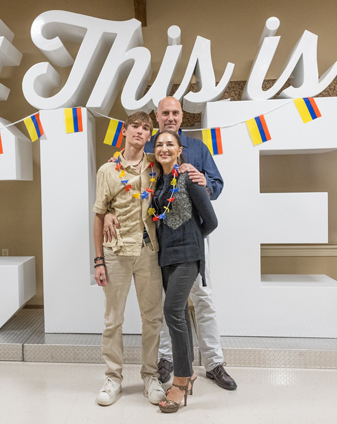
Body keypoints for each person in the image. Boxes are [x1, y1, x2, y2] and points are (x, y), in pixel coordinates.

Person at [104, 96, 237, 391]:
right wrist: (110, 211)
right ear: (157, 116)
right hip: (159, 240)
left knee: (203, 298)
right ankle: (166, 359)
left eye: (176, 112)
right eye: (165, 113)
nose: (171, 117)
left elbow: (216, 185)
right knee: (166, 304)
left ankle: (214, 363)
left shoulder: (199, 149)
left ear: (181, 116)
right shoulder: (147, 150)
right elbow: (123, 184)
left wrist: (205, 182)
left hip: (193, 238)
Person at [93, 111, 165, 406]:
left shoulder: (157, 167)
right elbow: (99, 215)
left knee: (153, 319)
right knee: (113, 320)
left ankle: (150, 376)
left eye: (146, 128)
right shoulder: (107, 171)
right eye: (135, 126)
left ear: (150, 135)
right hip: (117, 253)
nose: (140, 131)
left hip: (149, 253)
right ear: (125, 131)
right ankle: (113, 377)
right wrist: (98, 260)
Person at [151, 129, 218, 412]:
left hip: (188, 257)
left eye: (170, 144)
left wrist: (191, 240)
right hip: (165, 257)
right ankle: (188, 372)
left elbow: (211, 222)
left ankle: (179, 381)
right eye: (159, 144)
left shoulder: (189, 178)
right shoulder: (158, 183)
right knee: (178, 314)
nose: (164, 148)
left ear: (180, 151)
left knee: (172, 312)